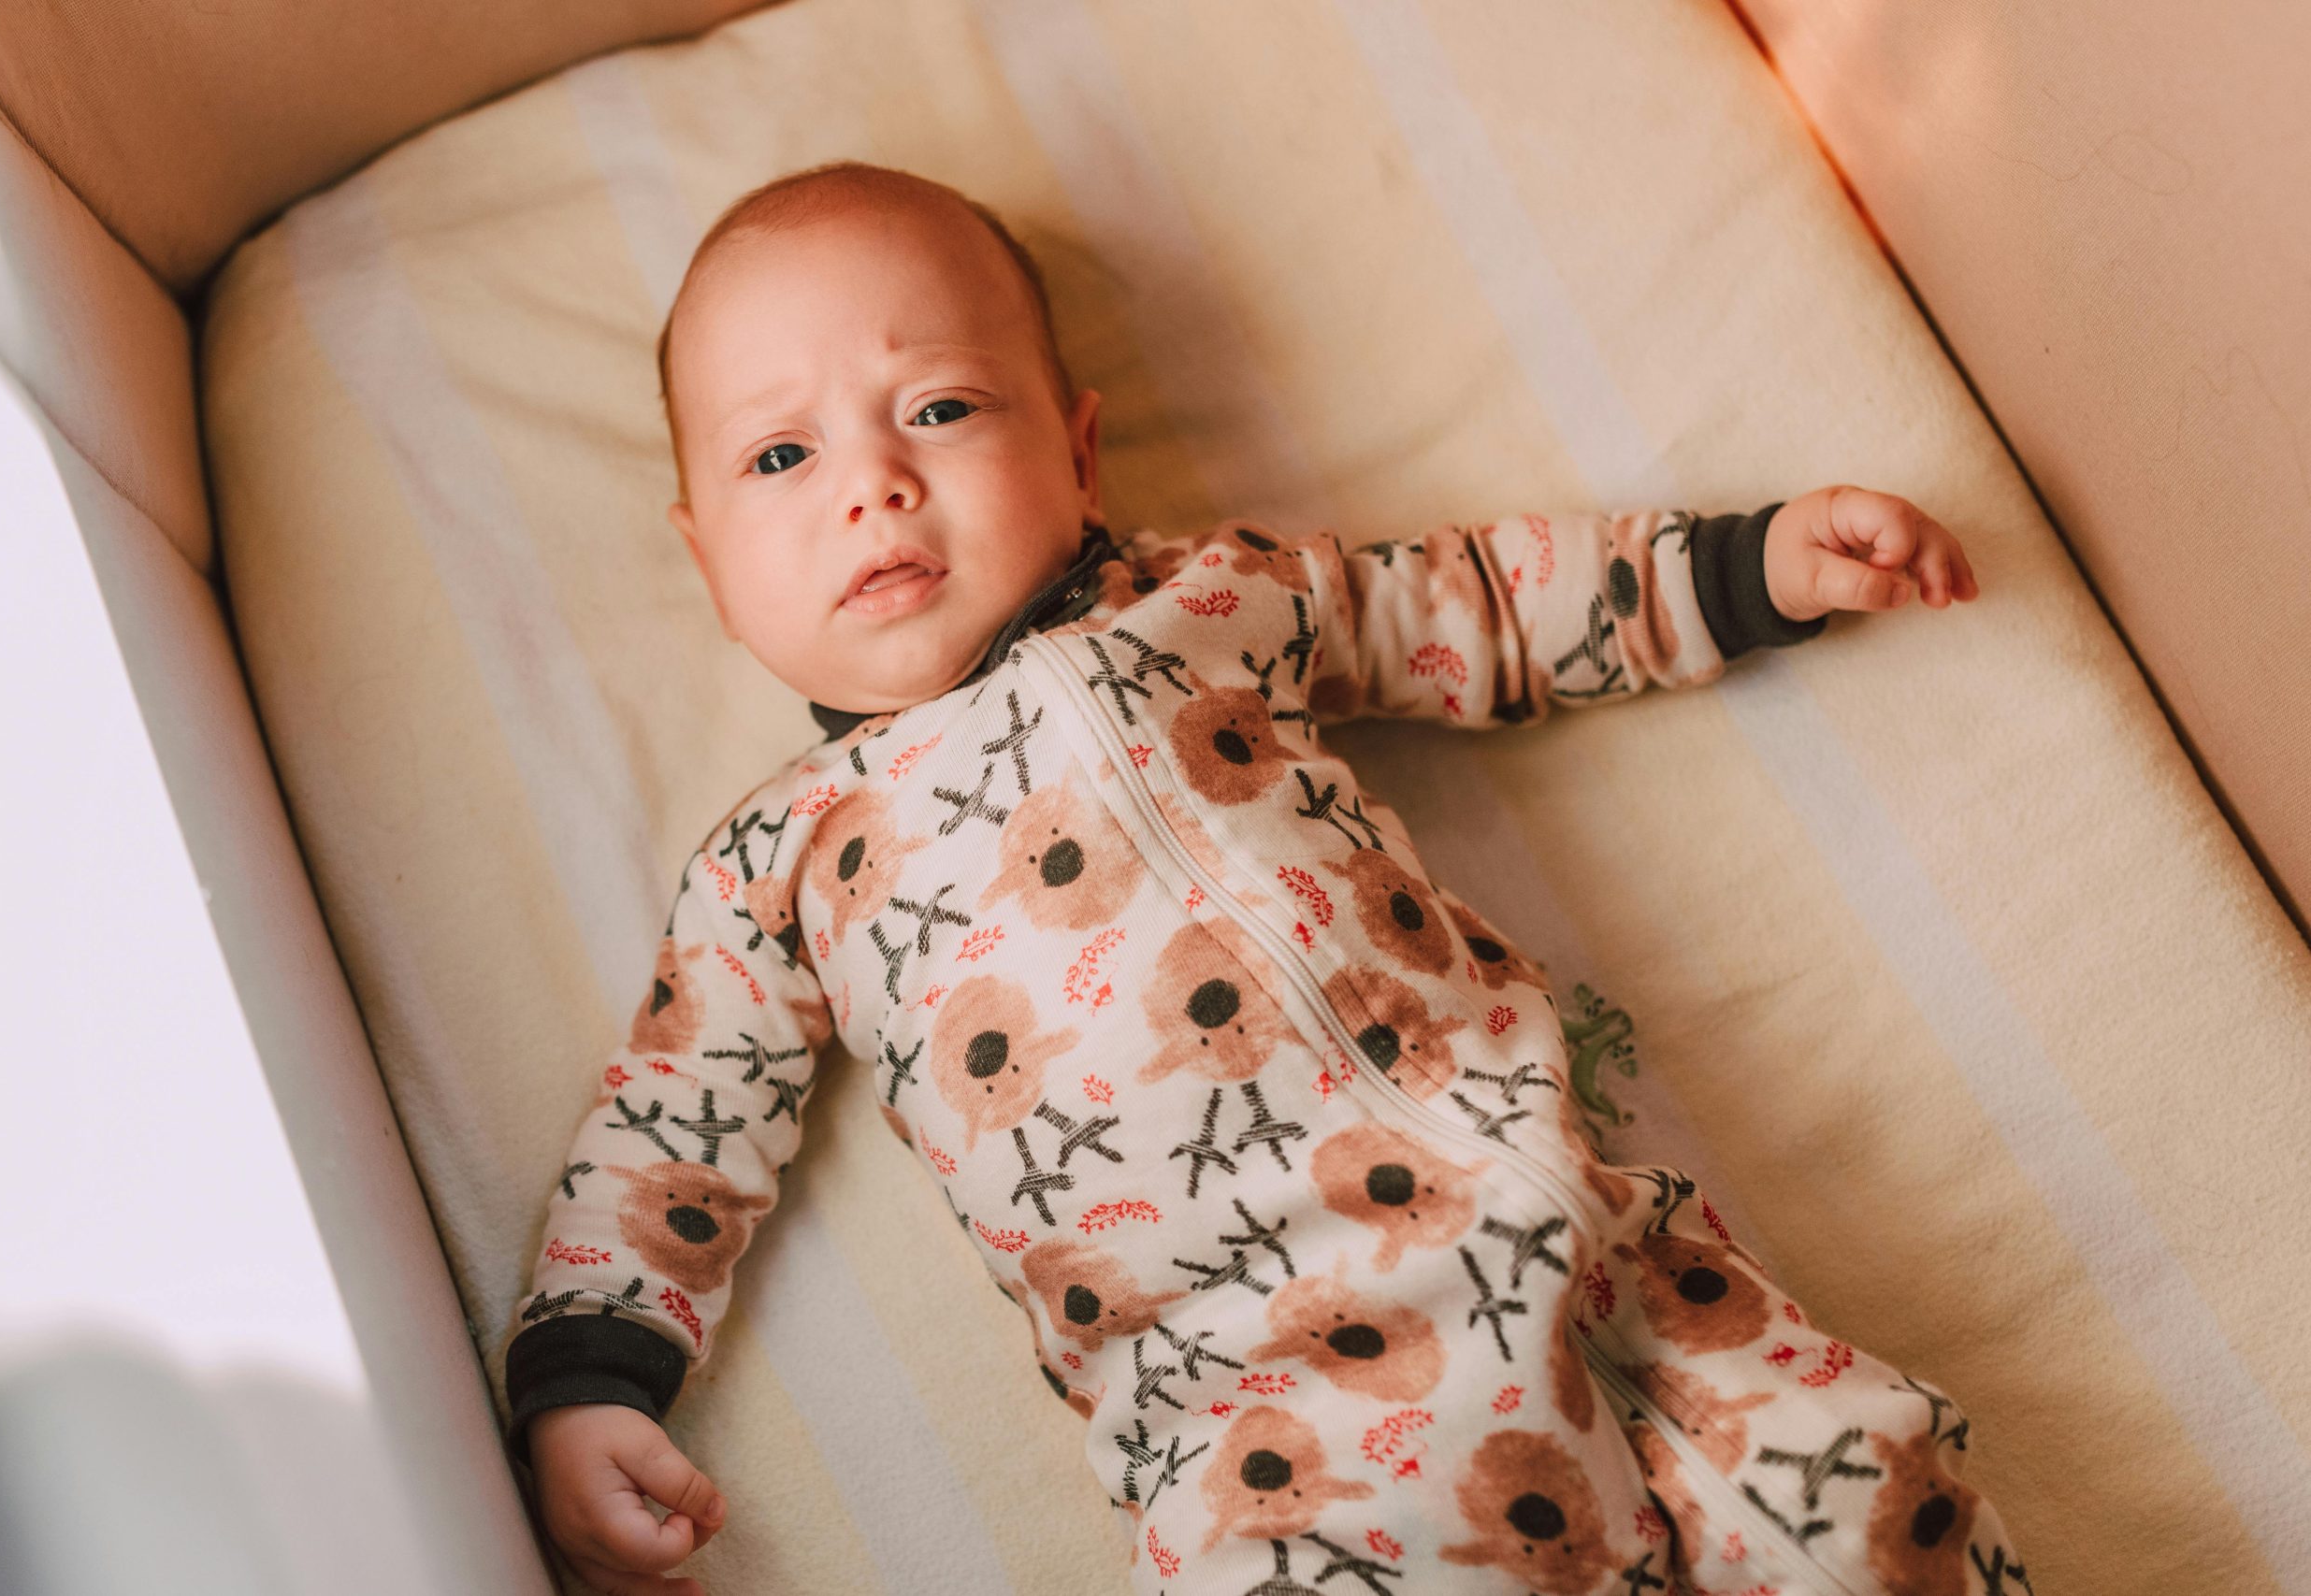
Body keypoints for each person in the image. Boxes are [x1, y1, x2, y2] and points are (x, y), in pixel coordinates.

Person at [500, 160, 2015, 1596]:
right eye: (783, 454)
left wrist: (1749, 569)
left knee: (1868, 1489)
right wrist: (592, 1376)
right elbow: (676, 1119)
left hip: (1607, 1249)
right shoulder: (784, 861)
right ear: (707, 561)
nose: (877, 485)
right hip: (1269, 1405)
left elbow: (1472, 606)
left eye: (941, 407)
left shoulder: (1217, 602)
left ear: (1079, 454)